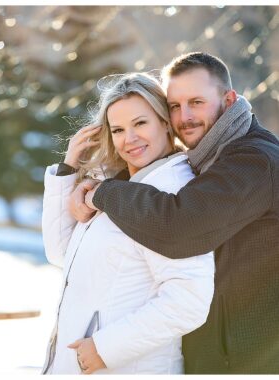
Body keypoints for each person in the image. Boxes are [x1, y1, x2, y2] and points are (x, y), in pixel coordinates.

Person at [71, 52, 279, 374]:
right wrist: (72, 176)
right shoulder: (212, 157)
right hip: (223, 353)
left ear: (229, 99)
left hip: (250, 358)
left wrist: (104, 193)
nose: (185, 117)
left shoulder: (252, 160)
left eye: (197, 102)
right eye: (175, 105)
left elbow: (182, 226)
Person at [41, 72, 215, 374]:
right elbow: (60, 254)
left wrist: (103, 349)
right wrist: (68, 170)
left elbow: (188, 302)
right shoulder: (113, 189)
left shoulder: (171, 191)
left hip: (126, 368)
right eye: (118, 129)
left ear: (164, 122)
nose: (129, 139)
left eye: (140, 123)